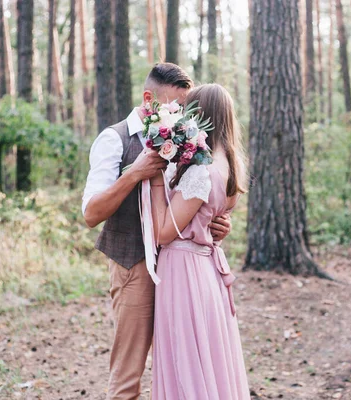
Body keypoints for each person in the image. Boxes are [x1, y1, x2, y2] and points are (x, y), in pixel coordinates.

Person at [82, 63, 233, 400]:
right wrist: (133, 174)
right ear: (148, 98)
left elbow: (194, 197)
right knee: (129, 374)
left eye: (184, 108)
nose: (180, 116)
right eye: (173, 107)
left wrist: (216, 222)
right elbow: (92, 214)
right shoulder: (114, 138)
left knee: (181, 369)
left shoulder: (187, 138)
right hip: (135, 265)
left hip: (182, 274)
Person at [150, 84, 250, 399]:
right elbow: (209, 216)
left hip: (183, 271)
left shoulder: (201, 171)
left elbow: (165, 231)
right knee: (207, 359)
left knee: (186, 361)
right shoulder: (231, 166)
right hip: (206, 270)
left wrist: (153, 177)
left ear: (200, 115)